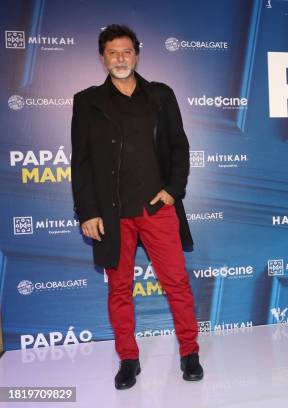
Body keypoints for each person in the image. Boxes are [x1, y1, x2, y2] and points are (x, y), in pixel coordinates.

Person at [70, 24, 203, 390]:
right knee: (119, 290)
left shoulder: (161, 95)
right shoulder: (87, 102)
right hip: (112, 217)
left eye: (126, 52)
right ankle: (129, 360)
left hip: (157, 210)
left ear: (137, 54)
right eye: (112, 53)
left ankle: (189, 353)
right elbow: (80, 163)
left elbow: (179, 147)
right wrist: (88, 212)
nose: (120, 59)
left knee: (176, 283)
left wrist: (173, 191)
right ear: (103, 58)